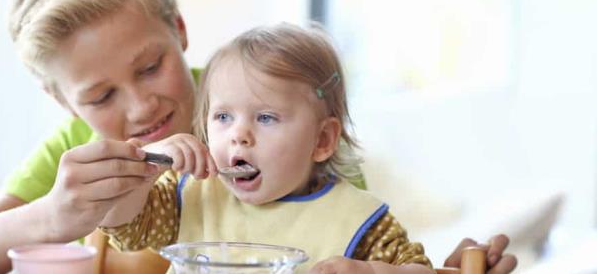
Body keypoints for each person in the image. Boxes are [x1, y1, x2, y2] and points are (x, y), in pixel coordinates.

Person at [0, 0, 517, 274]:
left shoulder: (274, 104)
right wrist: (53, 217)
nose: (140, 106)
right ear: (63, 101)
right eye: (101, 97)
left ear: (180, 30)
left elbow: (347, 227)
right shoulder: (80, 150)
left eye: (150, 66)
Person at [100, 23, 436, 273]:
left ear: (321, 141)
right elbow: (125, 229)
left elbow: (420, 271)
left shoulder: (358, 220)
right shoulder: (188, 195)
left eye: (265, 117)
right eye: (222, 116)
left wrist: (370, 271)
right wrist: (144, 172)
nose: (239, 135)